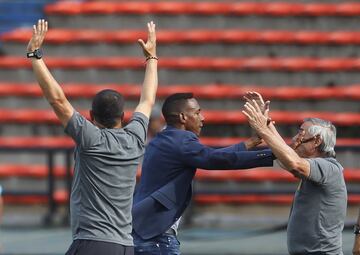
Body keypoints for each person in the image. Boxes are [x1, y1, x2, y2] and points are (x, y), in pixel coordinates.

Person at [27, 19, 158, 255]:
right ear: (124, 116)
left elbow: (58, 101)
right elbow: (147, 99)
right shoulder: (136, 138)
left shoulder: (91, 140)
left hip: (93, 243)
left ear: (90, 116)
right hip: (126, 245)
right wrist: (151, 58)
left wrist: (35, 56)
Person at [132, 92, 275, 254]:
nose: (203, 118)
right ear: (183, 117)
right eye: (197, 113)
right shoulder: (182, 141)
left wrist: (251, 143)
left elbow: (212, 156)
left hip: (144, 230)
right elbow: (217, 159)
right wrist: (275, 153)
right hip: (156, 238)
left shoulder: (163, 139)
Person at [242, 92, 347, 255]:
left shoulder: (329, 167)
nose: (295, 138)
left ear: (317, 141)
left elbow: (293, 163)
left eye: (301, 133)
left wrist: (263, 130)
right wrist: (266, 121)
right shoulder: (316, 167)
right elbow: (286, 157)